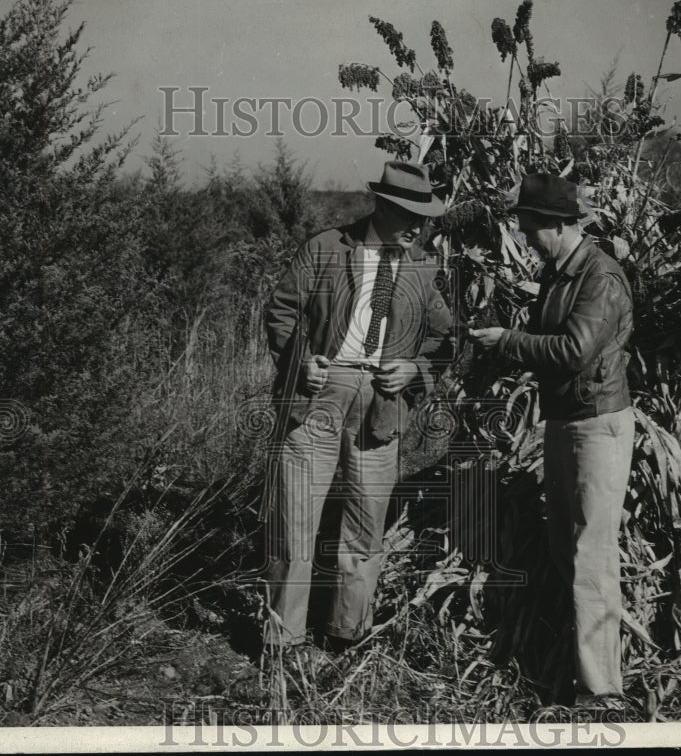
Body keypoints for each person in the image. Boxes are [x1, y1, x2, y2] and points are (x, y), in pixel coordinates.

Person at [262, 160, 454, 655]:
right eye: (410, 212)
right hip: (318, 399)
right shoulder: (325, 248)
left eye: (426, 215)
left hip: (382, 407)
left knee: (365, 531)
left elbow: (445, 338)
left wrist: (415, 370)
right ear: (382, 205)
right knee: (294, 526)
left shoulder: (422, 265)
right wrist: (300, 362)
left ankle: (346, 639)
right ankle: (283, 645)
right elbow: (282, 311)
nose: (420, 224)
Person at [469, 172, 635, 705]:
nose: (523, 237)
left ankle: (601, 691)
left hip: (598, 426)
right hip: (567, 421)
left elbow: (575, 351)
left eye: (528, 227)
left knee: (591, 557)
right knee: (569, 549)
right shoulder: (560, 272)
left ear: (557, 226)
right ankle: (581, 672)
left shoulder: (599, 276)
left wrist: (508, 341)